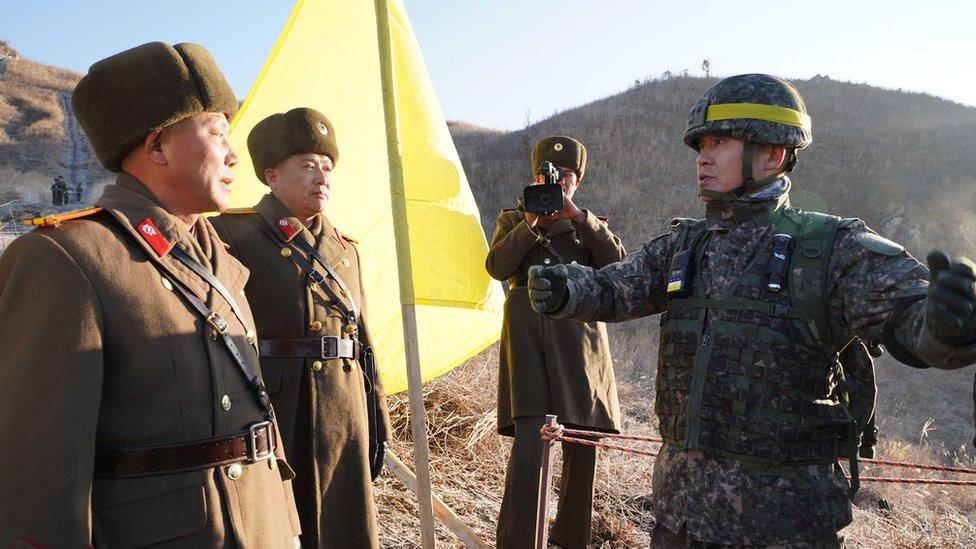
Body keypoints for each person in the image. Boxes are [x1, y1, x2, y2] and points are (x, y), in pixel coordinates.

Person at [527, 74, 976, 547]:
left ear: (772, 154)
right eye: (700, 144)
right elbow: (614, 289)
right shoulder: (683, 247)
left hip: (785, 529)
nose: (702, 156)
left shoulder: (832, 249)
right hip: (679, 520)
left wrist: (946, 330)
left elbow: (913, 323)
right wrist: (563, 288)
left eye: (719, 142)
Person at [0, 42, 301, 547]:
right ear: (158, 146)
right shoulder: (67, 259)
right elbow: (37, 466)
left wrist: (286, 526)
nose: (233, 156)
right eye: (217, 133)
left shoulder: (220, 260)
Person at [211, 107, 391, 549]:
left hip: (345, 411)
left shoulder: (344, 248)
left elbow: (362, 339)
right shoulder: (232, 236)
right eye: (307, 166)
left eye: (327, 167)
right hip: (277, 407)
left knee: (344, 527)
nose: (321, 177)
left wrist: (377, 415)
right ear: (272, 176)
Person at [486, 136, 627, 549]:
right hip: (530, 348)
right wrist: (531, 223)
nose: (557, 181)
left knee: (581, 452)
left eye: (565, 175)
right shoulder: (514, 219)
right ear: (535, 176)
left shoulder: (588, 223)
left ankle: (571, 542)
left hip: (581, 352)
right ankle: (518, 542)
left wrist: (578, 218)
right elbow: (497, 266)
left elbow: (620, 264)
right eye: (548, 173)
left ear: (578, 180)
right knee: (531, 447)